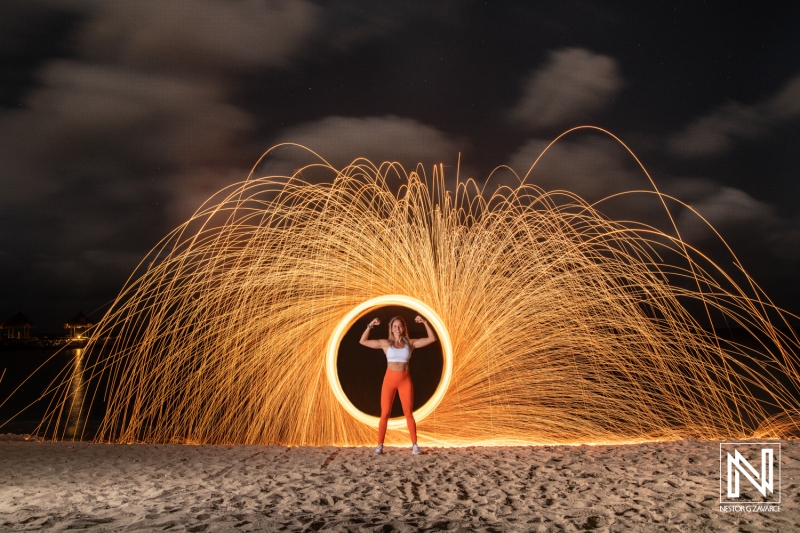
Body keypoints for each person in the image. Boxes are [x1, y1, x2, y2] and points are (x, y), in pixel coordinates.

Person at [360, 314, 437, 455]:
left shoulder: (410, 343)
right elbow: (363, 341)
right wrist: (370, 325)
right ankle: (379, 445)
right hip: (389, 380)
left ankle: (415, 445)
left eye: (400, 326)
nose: (397, 328)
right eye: (395, 326)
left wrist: (425, 322)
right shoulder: (385, 344)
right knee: (385, 413)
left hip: (405, 380)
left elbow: (432, 338)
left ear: (403, 328)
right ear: (391, 328)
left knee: (408, 412)